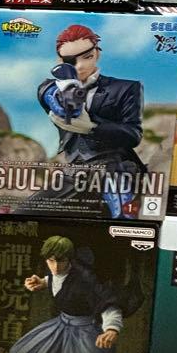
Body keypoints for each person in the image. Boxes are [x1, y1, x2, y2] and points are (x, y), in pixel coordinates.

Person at [28, 23, 145, 218]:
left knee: (123, 218)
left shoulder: (125, 88)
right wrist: (63, 89)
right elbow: (47, 93)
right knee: (25, 213)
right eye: (71, 60)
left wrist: (92, 127)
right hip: (74, 174)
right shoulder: (50, 87)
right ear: (60, 60)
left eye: (87, 56)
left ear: (97, 53)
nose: (80, 65)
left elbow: (133, 135)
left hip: (113, 169)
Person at [9, 235, 129, 353]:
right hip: (60, 325)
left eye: (61, 261)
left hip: (84, 332)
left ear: (69, 259)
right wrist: (42, 282)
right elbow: (57, 279)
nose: (56, 266)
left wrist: (112, 329)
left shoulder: (86, 279)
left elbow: (106, 302)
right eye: (51, 261)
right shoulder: (55, 270)